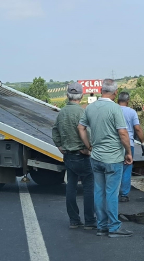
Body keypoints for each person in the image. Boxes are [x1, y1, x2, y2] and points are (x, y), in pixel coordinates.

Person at [78, 79, 133, 238]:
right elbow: (123, 133)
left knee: (99, 191)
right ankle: (114, 227)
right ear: (115, 93)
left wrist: (88, 146)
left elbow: (81, 127)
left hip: (96, 157)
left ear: (101, 90)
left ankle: (101, 226)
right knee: (111, 193)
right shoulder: (116, 109)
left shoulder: (90, 107)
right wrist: (128, 152)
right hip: (113, 157)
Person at [52, 82, 96, 230]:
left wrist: (59, 146)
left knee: (71, 186)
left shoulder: (62, 112)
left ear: (67, 96)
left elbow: (55, 130)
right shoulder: (82, 112)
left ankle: (74, 220)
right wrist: (88, 148)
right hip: (82, 155)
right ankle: (90, 220)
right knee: (89, 187)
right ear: (82, 96)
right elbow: (87, 132)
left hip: (68, 155)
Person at [117, 92, 144, 202]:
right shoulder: (131, 112)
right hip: (129, 144)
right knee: (127, 169)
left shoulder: (113, 110)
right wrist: (143, 143)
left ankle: (113, 193)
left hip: (115, 144)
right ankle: (124, 194)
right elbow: (137, 128)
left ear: (117, 100)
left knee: (116, 169)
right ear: (128, 100)